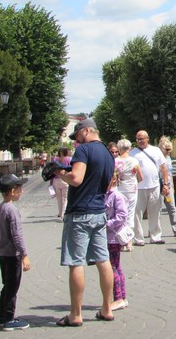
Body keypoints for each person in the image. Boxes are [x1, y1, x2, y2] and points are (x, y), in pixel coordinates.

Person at [54, 117, 115, 326]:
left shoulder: (84, 151)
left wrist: (60, 173)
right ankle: (107, 308)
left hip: (80, 213)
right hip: (99, 211)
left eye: (78, 135)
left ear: (87, 130)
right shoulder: (108, 153)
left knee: (75, 262)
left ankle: (75, 314)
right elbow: (107, 185)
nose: (77, 141)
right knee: (103, 260)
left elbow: (77, 178)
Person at [0, 174, 31, 331]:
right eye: (19, 188)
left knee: (7, 284)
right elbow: (17, 234)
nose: (22, 191)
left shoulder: (0, 208)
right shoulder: (12, 210)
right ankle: (9, 318)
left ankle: (2, 316)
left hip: (2, 252)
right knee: (12, 286)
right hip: (12, 254)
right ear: (12, 191)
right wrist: (24, 254)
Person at [129, 130, 166, 245]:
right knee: (137, 213)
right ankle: (139, 238)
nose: (140, 141)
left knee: (155, 212)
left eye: (142, 139)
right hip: (138, 187)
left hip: (154, 185)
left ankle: (155, 236)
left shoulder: (155, 150)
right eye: (138, 139)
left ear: (147, 139)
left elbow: (163, 168)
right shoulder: (132, 153)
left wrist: (165, 184)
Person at [104, 171, 129, 311]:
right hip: (107, 237)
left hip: (113, 237)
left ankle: (119, 297)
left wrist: (107, 224)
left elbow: (122, 216)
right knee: (115, 267)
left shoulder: (117, 196)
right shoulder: (105, 195)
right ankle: (122, 297)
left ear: (113, 180)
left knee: (112, 268)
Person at [115, 138, 142, 251]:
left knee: (120, 214)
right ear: (129, 148)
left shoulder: (115, 161)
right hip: (132, 189)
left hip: (120, 189)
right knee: (130, 215)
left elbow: (113, 177)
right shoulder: (134, 161)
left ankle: (121, 242)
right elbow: (140, 177)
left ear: (119, 149)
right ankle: (129, 243)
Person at [159, 137, 176, 237]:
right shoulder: (158, 159)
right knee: (157, 210)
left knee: (172, 208)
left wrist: (172, 186)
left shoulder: (168, 158)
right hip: (159, 186)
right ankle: (155, 230)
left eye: (170, 150)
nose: (169, 152)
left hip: (168, 186)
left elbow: (170, 173)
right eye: (167, 150)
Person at [51, 147, 72, 219]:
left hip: (56, 180)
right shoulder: (68, 159)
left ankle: (60, 213)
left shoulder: (55, 159)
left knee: (59, 198)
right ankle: (63, 214)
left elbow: (52, 170)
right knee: (65, 198)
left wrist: (51, 182)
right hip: (65, 179)